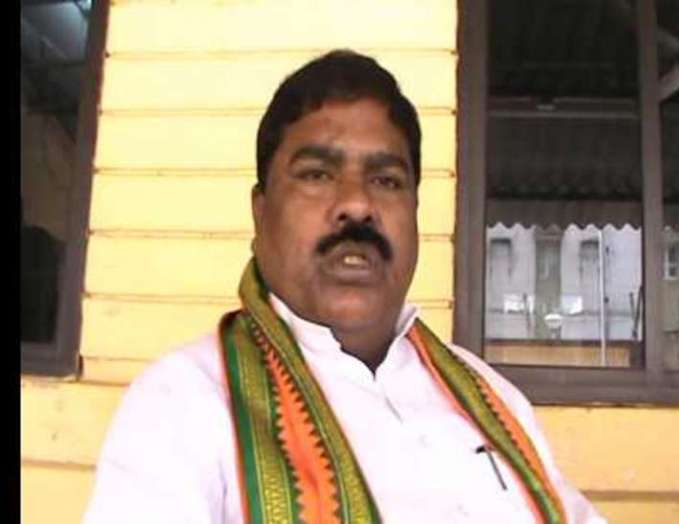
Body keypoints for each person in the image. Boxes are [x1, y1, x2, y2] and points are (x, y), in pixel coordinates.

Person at [84, 50, 606, 524]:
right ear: (261, 213)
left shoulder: (493, 400)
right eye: (317, 174)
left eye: (386, 180)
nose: (357, 204)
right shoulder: (184, 404)